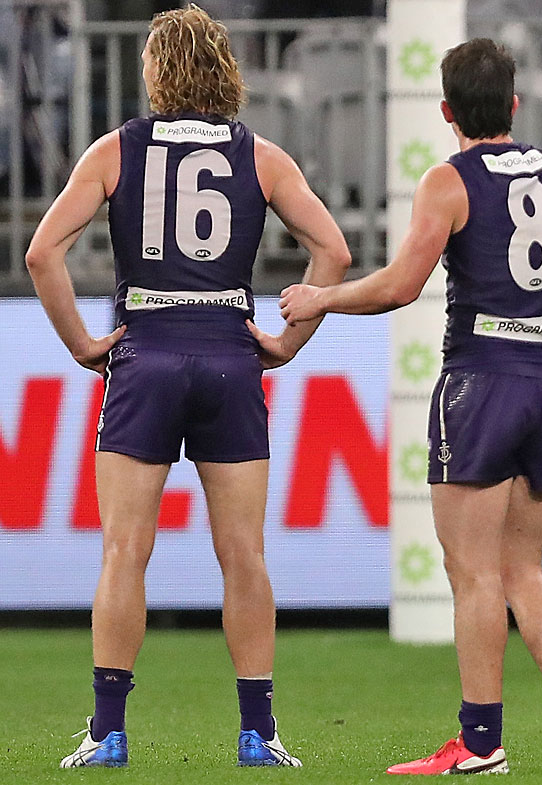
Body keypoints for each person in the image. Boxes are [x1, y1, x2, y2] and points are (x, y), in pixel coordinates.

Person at [279, 38, 542, 772]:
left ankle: (479, 742)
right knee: (525, 569)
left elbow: (402, 284)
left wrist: (321, 297)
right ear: (516, 104)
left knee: (473, 574)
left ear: (445, 110)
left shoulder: (449, 180)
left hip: (478, 384)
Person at [28, 5, 350, 768]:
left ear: (156, 70)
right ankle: (258, 732)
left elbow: (44, 253)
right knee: (244, 554)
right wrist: (286, 342)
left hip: (145, 352)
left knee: (124, 551)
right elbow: (332, 251)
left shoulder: (115, 150)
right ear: (223, 69)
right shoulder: (262, 157)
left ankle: (109, 732)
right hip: (229, 350)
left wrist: (81, 345)